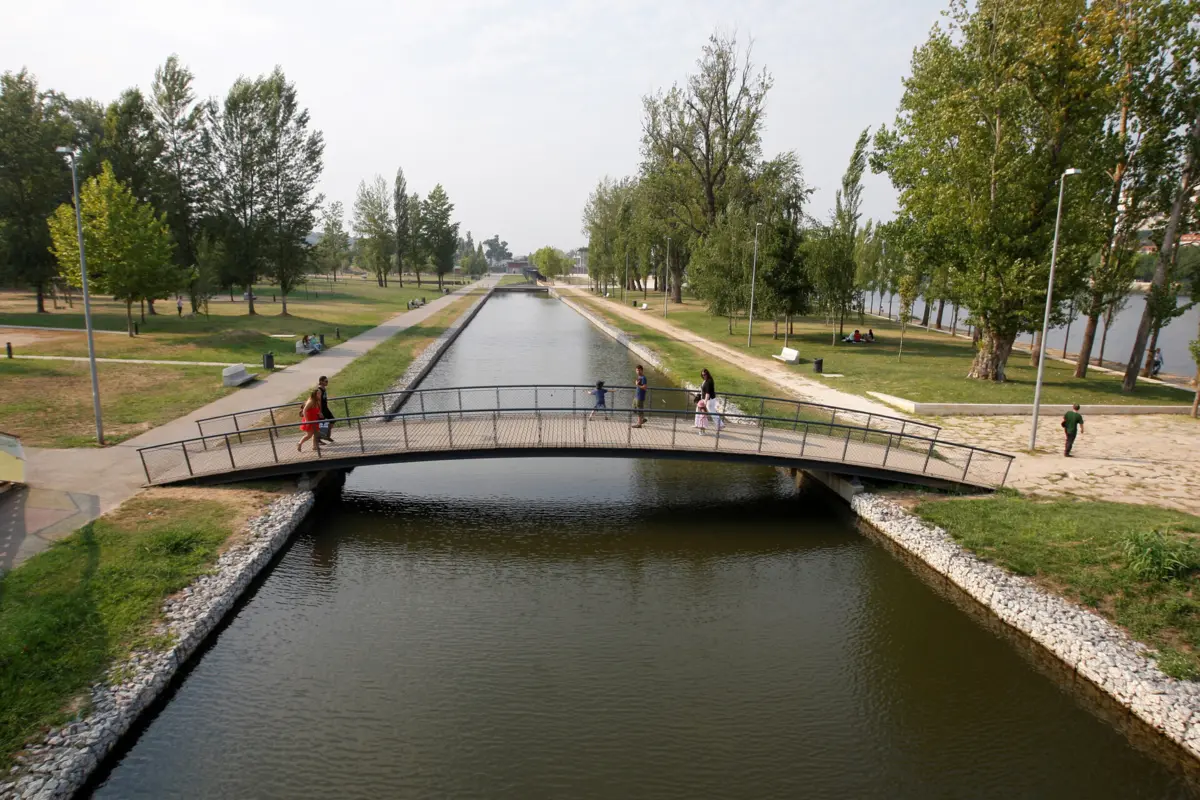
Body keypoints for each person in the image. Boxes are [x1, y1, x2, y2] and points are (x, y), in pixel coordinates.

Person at [317, 375, 336, 443]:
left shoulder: (324, 388)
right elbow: (319, 402)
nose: (327, 382)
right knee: (319, 425)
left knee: (332, 420)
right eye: (326, 381)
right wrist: (320, 412)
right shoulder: (319, 390)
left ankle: (327, 436)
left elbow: (325, 400)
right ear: (321, 382)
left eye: (327, 381)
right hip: (321, 410)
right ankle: (318, 439)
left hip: (325, 408)